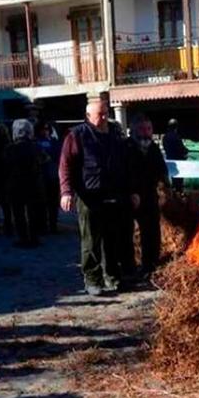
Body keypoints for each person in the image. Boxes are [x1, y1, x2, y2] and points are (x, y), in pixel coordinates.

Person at [59, 101, 139, 296]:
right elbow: (65, 165)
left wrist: (132, 191)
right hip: (89, 197)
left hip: (115, 195)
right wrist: (66, 191)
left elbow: (127, 165)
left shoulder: (116, 134)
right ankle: (92, 280)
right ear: (88, 116)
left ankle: (112, 276)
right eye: (99, 114)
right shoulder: (77, 135)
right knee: (91, 241)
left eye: (105, 113)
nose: (103, 118)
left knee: (113, 239)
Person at [124, 114, 169, 277]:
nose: (147, 132)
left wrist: (165, 186)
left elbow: (162, 170)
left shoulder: (154, 148)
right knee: (128, 233)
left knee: (152, 231)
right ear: (134, 130)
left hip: (150, 195)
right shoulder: (126, 147)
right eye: (143, 129)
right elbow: (123, 173)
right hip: (130, 197)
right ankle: (129, 268)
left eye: (149, 129)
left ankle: (151, 265)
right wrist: (131, 192)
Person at [3, 119, 46, 248]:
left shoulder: (10, 148)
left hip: (16, 184)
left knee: (18, 213)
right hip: (33, 184)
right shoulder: (35, 146)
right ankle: (34, 237)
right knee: (33, 212)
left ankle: (23, 237)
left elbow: (5, 167)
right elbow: (44, 160)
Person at [35, 120, 62, 234]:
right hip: (42, 175)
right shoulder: (36, 142)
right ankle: (43, 225)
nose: (45, 131)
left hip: (53, 175)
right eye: (43, 129)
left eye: (47, 129)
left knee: (53, 202)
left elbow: (59, 154)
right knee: (42, 202)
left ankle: (53, 224)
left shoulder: (55, 141)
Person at [162, 118, 189, 192]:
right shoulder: (177, 137)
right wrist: (186, 151)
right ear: (176, 127)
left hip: (170, 161)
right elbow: (182, 149)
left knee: (173, 181)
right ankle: (179, 196)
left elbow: (165, 148)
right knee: (179, 183)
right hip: (178, 163)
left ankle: (174, 195)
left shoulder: (165, 137)